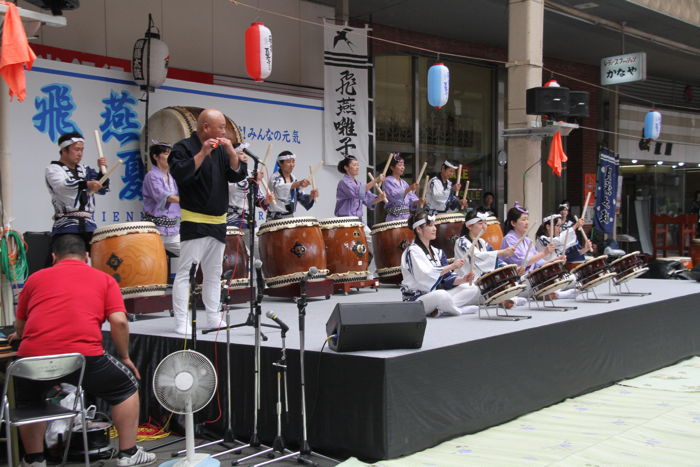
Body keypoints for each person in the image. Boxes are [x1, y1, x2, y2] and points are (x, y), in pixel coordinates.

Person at [8, 234, 156, 467]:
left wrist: (19, 335)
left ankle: (34, 460)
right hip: (81, 358)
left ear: (54, 256)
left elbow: (21, 325)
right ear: (86, 256)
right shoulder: (104, 279)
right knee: (126, 387)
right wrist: (125, 357)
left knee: (29, 403)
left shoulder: (34, 279)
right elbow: (119, 321)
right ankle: (128, 454)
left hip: (32, 360)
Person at [168, 108, 247, 335]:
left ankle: (213, 317)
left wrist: (231, 152)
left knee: (213, 272)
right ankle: (181, 320)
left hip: (218, 220)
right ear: (205, 127)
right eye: (221, 127)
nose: (225, 131)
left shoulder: (222, 149)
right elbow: (181, 174)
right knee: (186, 272)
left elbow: (237, 175)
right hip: (194, 219)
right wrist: (202, 153)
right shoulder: (183, 147)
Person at [400, 209, 479, 317]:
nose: (434, 229)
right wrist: (452, 266)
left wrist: (463, 279)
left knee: (472, 288)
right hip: (416, 300)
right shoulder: (412, 251)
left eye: (434, 225)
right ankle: (458, 310)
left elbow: (446, 278)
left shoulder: (438, 252)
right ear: (418, 229)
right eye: (430, 226)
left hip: (434, 296)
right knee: (441, 295)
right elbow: (425, 276)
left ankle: (441, 310)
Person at [45, 131, 109, 244]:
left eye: (82, 149)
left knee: (99, 257)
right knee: (69, 257)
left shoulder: (85, 170)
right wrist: (87, 184)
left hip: (89, 226)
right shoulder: (53, 169)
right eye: (76, 149)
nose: (80, 153)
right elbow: (62, 187)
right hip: (66, 226)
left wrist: (102, 171)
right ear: (64, 150)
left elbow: (102, 188)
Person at [335, 155, 386, 256]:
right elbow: (358, 192)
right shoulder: (344, 183)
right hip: (347, 221)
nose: (357, 167)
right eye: (354, 165)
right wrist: (375, 180)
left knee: (376, 246)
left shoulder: (359, 184)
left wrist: (379, 198)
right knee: (353, 250)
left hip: (359, 221)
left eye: (358, 165)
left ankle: (373, 271)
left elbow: (368, 200)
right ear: (346, 167)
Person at [142, 141, 180, 255]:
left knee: (191, 256)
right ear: (155, 157)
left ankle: (187, 274)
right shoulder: (152, 175)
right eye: (167, 154)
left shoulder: (172, 176)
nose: (170, 157)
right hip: (155, 231)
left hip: (172, 231)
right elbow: (163, 196)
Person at [454, 211, 515, 280]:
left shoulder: (482, 242)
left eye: (485, 223)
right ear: (469, 226)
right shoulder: (461, 242)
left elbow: (495, 259)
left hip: (480, 282)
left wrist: (510, 269)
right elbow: (477, 257)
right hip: (465, 282)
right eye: (480, 223)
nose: (484, 226)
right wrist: (503, 252)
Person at [499, 202, 556, 275]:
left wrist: (555, 261)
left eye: (527, 219)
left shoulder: (527, 240)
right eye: (523, 219)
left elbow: (538, 262)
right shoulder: (509, 239)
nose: (527, 222)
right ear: (513, 223)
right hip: (514, 280)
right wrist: (544, 253)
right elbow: (522, 262)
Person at [267, 150, 318, 220]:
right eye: (288, 162)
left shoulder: (293, 178)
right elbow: (280, 190)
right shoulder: (275, 177)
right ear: (280, 163)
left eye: (293, 161)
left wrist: (311, 196)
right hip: (275, 218)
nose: (292, 165)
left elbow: (300, 196)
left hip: (289, 217)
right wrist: (299, 183)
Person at [382, 153, 423, 221]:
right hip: (394, 218)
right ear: (392, 167)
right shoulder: (387, 181)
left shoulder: (404, 183)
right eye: (400, 165)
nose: (403, 167)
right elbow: (394, 197)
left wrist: (419, 201)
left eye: (403, 165)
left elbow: (411, 199)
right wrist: (409, 188)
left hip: (406, 218)